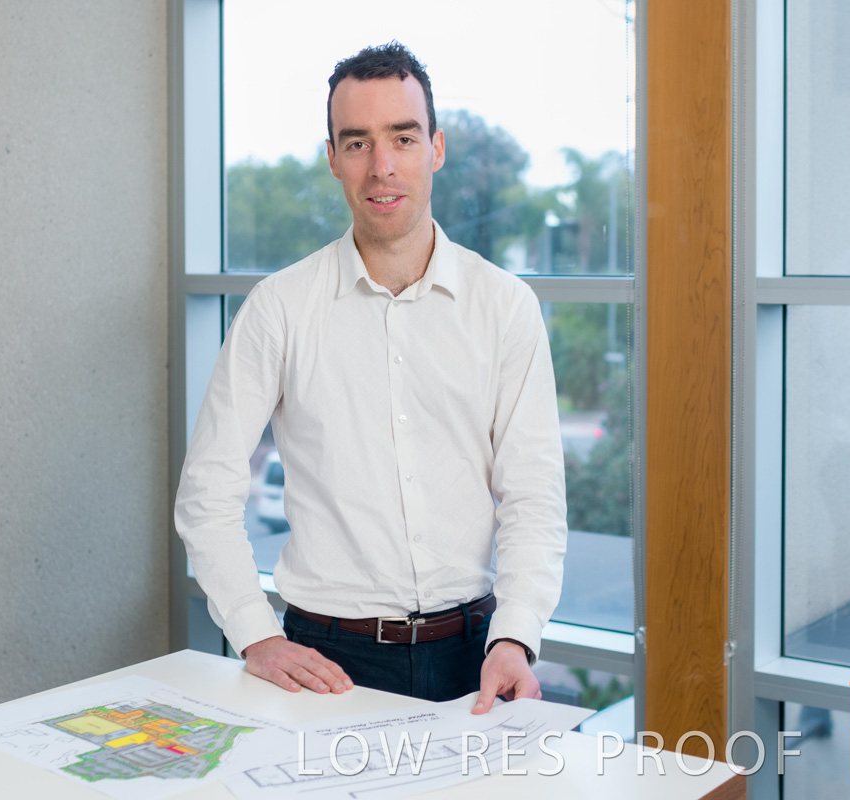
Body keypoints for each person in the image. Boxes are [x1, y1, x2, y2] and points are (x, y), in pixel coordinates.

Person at [174, 42, 567, 714]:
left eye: (403, 138)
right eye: (357, 143)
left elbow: (533, 495)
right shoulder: (279, 307)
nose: (382, 166)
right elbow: (206, 494)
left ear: (435, 148)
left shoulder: (504, 306)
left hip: (477, 657)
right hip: (326, 662)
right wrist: (255, 634)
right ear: (332, 157)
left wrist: (516, 637)